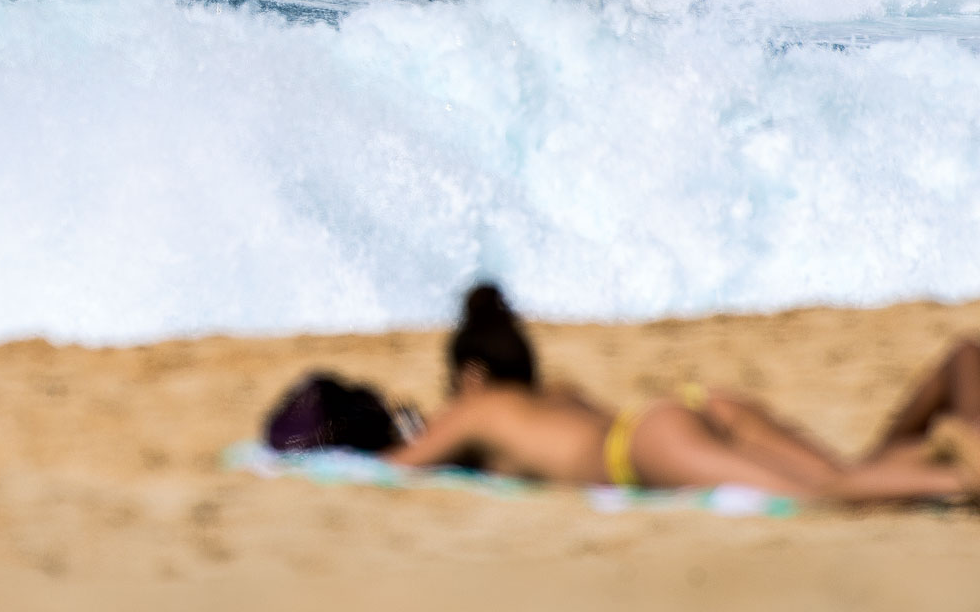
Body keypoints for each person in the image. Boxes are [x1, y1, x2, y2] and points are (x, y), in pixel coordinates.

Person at [380, 284, 980, 503]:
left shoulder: (476, 406)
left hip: (643, 444)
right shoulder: (557, 393)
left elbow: (396, 468)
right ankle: (959, 375)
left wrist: (408, 427)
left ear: (472, 374)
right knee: (853, 478)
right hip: (692, 410)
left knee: (824, 495)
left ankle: (962, 476)